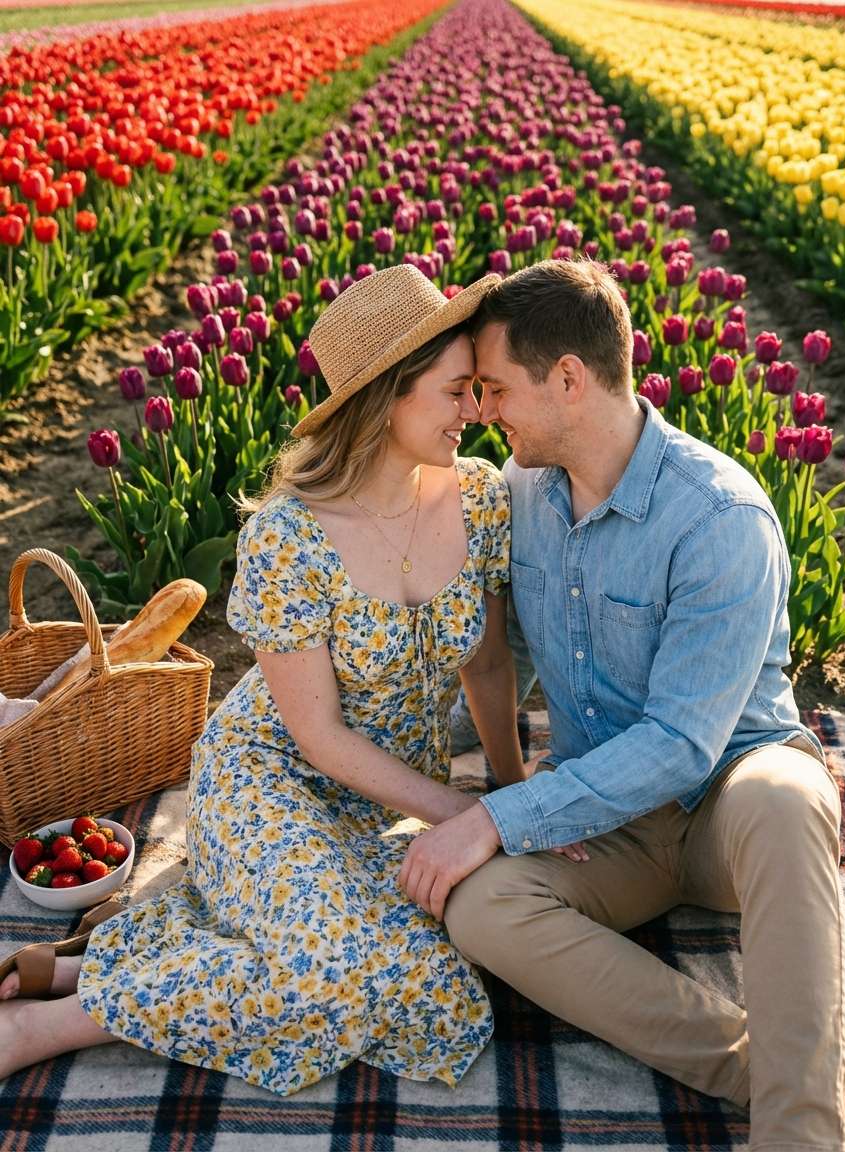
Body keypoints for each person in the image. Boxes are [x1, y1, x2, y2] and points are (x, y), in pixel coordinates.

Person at [398, 259, 845, 1151]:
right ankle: (799, 1071)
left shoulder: (719, 515)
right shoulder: (519, 498)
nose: (483, 411)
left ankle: (802, 1135)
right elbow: (495, 660)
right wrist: (488, 796)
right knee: (481, 905)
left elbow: (684, 745)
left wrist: (500, 813)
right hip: (610, 824)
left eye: (495, 388)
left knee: (792, 794)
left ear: (568, 377)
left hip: (727, 803)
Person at [0, 264, 527, 1095]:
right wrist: (465, 813)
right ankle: (54, 1021)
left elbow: (490, 666)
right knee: (344, 978)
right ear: (387, 397)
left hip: (380, 804)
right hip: (268, 778)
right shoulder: (291, 537)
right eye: (455, 391)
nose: (476, 410)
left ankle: (81, 966)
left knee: (440, 989)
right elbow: (317, 736)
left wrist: (511, 791)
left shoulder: (482, 497)